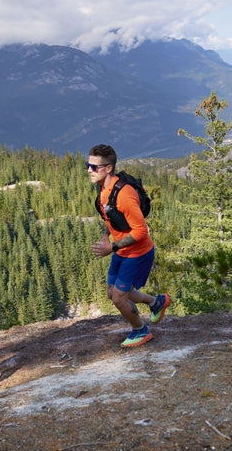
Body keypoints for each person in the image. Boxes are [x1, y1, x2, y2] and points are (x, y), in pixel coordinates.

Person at [87, 143, 171, 347]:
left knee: (118, 297)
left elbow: (141, 231)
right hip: (122, 251)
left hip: (137, 253)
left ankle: (140, 330)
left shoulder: (124, 195)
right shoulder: (104, 190)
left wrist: (111, 248)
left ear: (108, 168)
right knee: (111, 292)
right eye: (87, 165)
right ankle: (156, 302)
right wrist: (107, 236)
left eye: (94, 167)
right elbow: (112, 216)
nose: (89, 170)